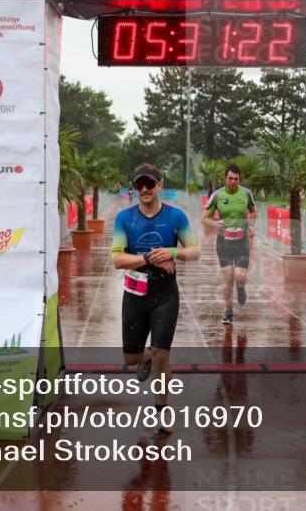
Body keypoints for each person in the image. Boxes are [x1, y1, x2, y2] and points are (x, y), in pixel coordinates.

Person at [111, 164, 200, 426]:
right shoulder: (124, 218)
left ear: (160, 185)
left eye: (150, 183)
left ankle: (162, 413)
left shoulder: (176, 217)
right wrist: (150, 258)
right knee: (131, 358)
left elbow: (194, 251)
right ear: (134, 187)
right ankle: (145, 356)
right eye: (140, 184)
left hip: (165, 293)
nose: (145, 189)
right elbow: (117, 259)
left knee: (163, 354)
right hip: (135, 293)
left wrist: (172, 253)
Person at [202, 163, 256, 325]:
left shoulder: (246, 194)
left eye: (236, 179)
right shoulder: (217, 196)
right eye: (230, 178)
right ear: (225, 178)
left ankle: (241, 288)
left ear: (240, 179)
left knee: (239, 275)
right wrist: (215, 224)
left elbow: (253, 212)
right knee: (228, 277)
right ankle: (228, 311)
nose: (233, 182)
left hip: (242, 241)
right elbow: (204, 218)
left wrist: (251, 226)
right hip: (223, 241)